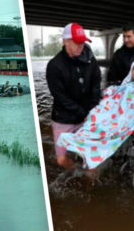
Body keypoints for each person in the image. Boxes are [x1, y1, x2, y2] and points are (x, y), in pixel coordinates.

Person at [56, 60, 134, 169]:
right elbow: (108, 95)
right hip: (112, 111)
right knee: (95, 118)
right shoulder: (121, 86)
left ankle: (91, 153)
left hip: (127, 113)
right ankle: (81, 145)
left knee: (112, 127)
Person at [47, 22, 101, 170]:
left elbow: (96, 83)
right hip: (64, 118)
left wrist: (92, 108)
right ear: (65, 42)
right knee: (62, 160)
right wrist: (81, 112)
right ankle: (76, 172)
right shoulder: (54, 66)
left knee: (91, 157)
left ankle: (90, 181)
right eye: (77, 42)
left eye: (82, 42)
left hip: (87, 116)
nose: (80, 46)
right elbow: (60, 96)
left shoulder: (90, 59)